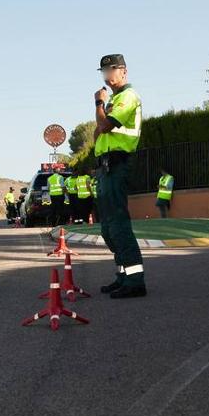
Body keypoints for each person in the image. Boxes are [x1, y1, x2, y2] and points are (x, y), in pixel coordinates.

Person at [92, 53, 145, 299]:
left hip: (117, 164)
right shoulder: (114, 100)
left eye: (111, 70)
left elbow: (103, 127)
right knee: (108, 229)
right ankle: (123, 275)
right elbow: (97, 134)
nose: (107, 75)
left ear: (123, 71)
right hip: (104, 167)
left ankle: (135, 281)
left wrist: (99, 104)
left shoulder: (128, 97)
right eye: (104, 71)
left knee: (119, 225)